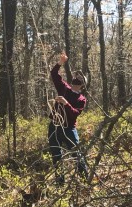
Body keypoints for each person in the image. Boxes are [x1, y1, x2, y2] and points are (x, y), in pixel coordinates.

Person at [48, 52, 88, 185]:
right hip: (54, 126)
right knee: (56, 155)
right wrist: (60, 62)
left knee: (77, 154)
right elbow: (54, 74)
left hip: (69, 129)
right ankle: (60, 183)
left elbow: (75, 113)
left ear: (82, 85)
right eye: (76, 77)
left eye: (80, 79)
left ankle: (85, 180)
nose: (76, 79)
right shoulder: (64, 87)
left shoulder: (81, 99)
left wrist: (66, 103)